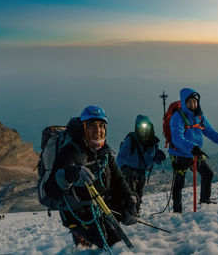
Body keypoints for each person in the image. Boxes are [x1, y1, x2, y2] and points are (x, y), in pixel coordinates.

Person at [44, 106, 138, 249]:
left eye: (101, 125)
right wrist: (70, 174)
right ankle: (81, 237)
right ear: (83, 127)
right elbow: (50, 189)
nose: (98, 130)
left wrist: (130, 200)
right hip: (78, 214)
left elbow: (119, 181)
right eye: (92, 125)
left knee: (116, 229)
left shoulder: (104, 153)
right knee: (114, 243)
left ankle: (86, 242)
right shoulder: (71, 151)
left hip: (100, 206)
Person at [169, 88, 218, 213]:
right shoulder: (177, 117)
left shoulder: (200, 117)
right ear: (184, 102)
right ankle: (177, 211)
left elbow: (211, 133)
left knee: (207, 174)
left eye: (195, 101)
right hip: (180, 154)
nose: (193, 104)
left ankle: (205, 202)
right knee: (179, 183)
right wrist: (191, 147)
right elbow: (177, 138)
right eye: (189, 102)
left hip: (195, 152)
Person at [117, 115, 166, 212]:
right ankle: (129, 212)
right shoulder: (130, 140)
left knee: (139, 194)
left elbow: (156, 160)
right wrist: (124, 167)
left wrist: (160, 157)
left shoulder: (154, 143)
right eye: (141, 128)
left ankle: (135, 212)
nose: (144, 131)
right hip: (130, 173)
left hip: (143, 174)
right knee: (131, 193)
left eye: (146, 128)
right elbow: (120, 156)